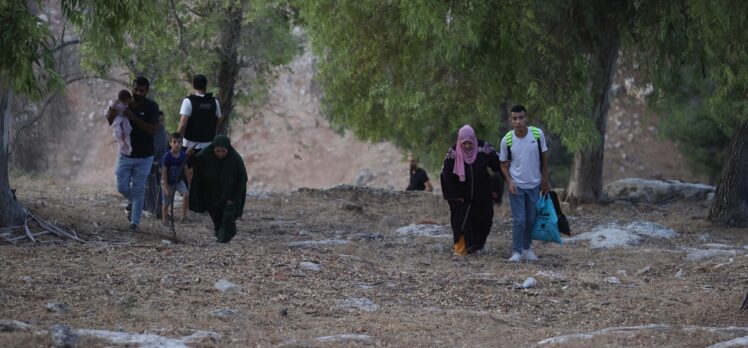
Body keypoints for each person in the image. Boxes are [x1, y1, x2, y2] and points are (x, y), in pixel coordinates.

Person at [106, 76, 160, 230]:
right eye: (136, 89)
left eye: (142, 90)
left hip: (145, 156)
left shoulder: (151, 107)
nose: (138, 92)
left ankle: (134, 223)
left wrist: (133, 118)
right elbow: (110, 121)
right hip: (126, 154)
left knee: (138, 189)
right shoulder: (123, 104)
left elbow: (153, 129)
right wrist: (114, 106)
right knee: (121, 187)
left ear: (146, 91)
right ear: (132, 87)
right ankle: (138, 203)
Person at [499, 105, 550, 262]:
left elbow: (544, 159)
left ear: (526, 118)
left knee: (531, 219)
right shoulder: (507, 140)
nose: (518, 121)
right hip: (517, 186)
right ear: (510, 120)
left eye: (521, 117)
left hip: (534, 184)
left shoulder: (537, 134)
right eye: (515, 118)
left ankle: (527, 248)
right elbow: (503, 164)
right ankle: (517, 251)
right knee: (519, 219)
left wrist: (545, 180)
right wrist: (510, 181)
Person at [441, 125, 501, 256]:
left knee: (484, 221)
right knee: (461, 222)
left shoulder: (483, 148)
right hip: (462, 197)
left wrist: (497, 188)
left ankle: (478, 247)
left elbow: (499, 164)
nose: (467, 146)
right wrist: (454, 195)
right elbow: (445, 175)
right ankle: (461, 249)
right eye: (464, 143)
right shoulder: (453, 153)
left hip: (482, 195)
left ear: (473, 139)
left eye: (469, 143)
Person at [187, 135, 247, 243]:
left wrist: (233, 197)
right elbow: (195, 162)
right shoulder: (206, 153)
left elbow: (242, 179)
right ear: (213, 148)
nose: (220, 154)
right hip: (213, 196)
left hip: (231, 195)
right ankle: (220, 236)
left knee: (228, 216)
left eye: (223, 151)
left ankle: (224, 239)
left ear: (228, 149)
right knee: (217, 220)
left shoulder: (236, 160)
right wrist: (190, 156)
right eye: (217, 151)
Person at [177, 74, 224, 151]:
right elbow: (219, 122)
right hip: (208, 145)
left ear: (193, 86)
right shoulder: (214, 102)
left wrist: (175, 141)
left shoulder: (188, 101)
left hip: (189, 146)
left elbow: (182, 124)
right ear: (206, 86)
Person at [161, 133, 190, 226]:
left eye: (179, 142)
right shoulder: (167, 157)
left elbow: (185, 168)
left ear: (182, 144)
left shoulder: (182, 155)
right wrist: (166, 186)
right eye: (174, 142)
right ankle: (164, 219)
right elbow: (164, 172)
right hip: (168, 182)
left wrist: (189, 180)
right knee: (167, 202)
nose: (177, 144)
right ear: (170, 143)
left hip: (179, 181)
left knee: (186, 194)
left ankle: (184, 216)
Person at [144, 111, 168, 217]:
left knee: (158, 185)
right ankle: (151, 208)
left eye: (162, 120)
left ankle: (159, 209)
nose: (161, 123)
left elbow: (164, 148)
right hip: (149, 162)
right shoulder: (148, 132)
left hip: (160, 163)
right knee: (150, 185)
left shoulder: (163, 131)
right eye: (158, 121)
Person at [107, 89, 133, 156]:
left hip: (124, 118)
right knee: (117, 129)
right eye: (126, 101)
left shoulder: (128, 104)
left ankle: (127, 144)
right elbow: (112, 106)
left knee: (127, 130)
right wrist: (118, 100)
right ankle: (120, 139)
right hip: (118, 118)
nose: (128, 102)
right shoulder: (117, 103)